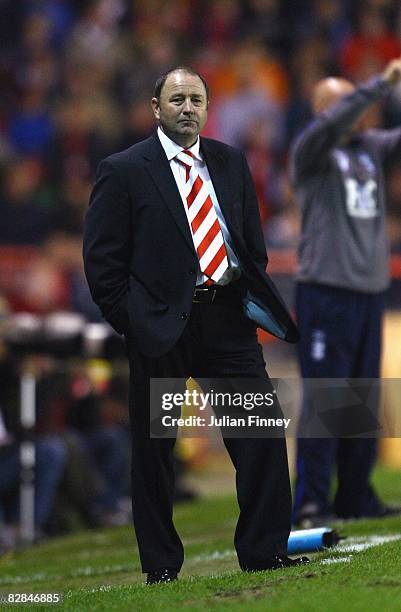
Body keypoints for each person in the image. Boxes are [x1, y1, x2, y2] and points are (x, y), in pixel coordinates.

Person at [83, 66, 309, 584]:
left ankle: (265, 551)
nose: (188, 107)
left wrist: (239, 294)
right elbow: (102, 263)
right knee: (157, 455)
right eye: (178, 98)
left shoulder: (231, 162)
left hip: (227, 321)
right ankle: (162, 567)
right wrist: (135, 321)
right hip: (160, 329)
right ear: (155, 108)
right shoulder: (123, 170)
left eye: (197, 99)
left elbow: (250, 246)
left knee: (260, 436)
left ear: (208, 108)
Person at [290, 57, 401, 526]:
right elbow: (338, 119)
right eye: (344, 102)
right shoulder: (310, 150)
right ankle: (311, 501)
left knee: (360, 398)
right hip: (326, 291)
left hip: (367, 291)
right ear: (323, 111)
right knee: (325, 399)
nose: (359, 111)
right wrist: (381, 83)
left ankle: (356, 496)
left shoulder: (371, 147)